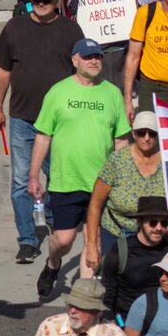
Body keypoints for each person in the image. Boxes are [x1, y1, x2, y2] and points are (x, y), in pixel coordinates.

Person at [0, 0, 85, 263]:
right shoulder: (14, 27)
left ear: (57, 0)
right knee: (21, 182)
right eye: (36, 0)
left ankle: (58, 225)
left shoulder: (71, 30)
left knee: (57, 178)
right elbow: (3, 71)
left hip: (60, 122)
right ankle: (27, 241)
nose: (41, 4)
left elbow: (82, 73)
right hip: (21, 119)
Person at [31, 37, 131, 297]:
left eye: (98, 56)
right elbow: (43, 136)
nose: (95, 61)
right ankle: (53, 264)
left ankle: (83, 297)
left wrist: (122, 177)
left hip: (101, 181)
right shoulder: (58, 92)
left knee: (92, 240)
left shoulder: (112, 93)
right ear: (75, 60)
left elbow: (121, 140)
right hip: (66, 179)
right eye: (88, 57)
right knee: (63, 240)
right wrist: (33, 176)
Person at [83, 112, 165, 271]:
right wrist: (92, 247)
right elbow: (95, 205)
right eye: (141, 133)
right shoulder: (117, 160)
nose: (146, 138)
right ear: (133, 133)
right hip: (115, 233)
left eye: (152, 133)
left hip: (153, 236)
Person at [99, 195, 168, 319]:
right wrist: (109, 320)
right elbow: (108, 290)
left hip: (164, 319)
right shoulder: (121, 250)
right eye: (153, 222)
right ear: (139, 221)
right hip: (128, 318)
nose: (159, 228)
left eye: (164, 223)